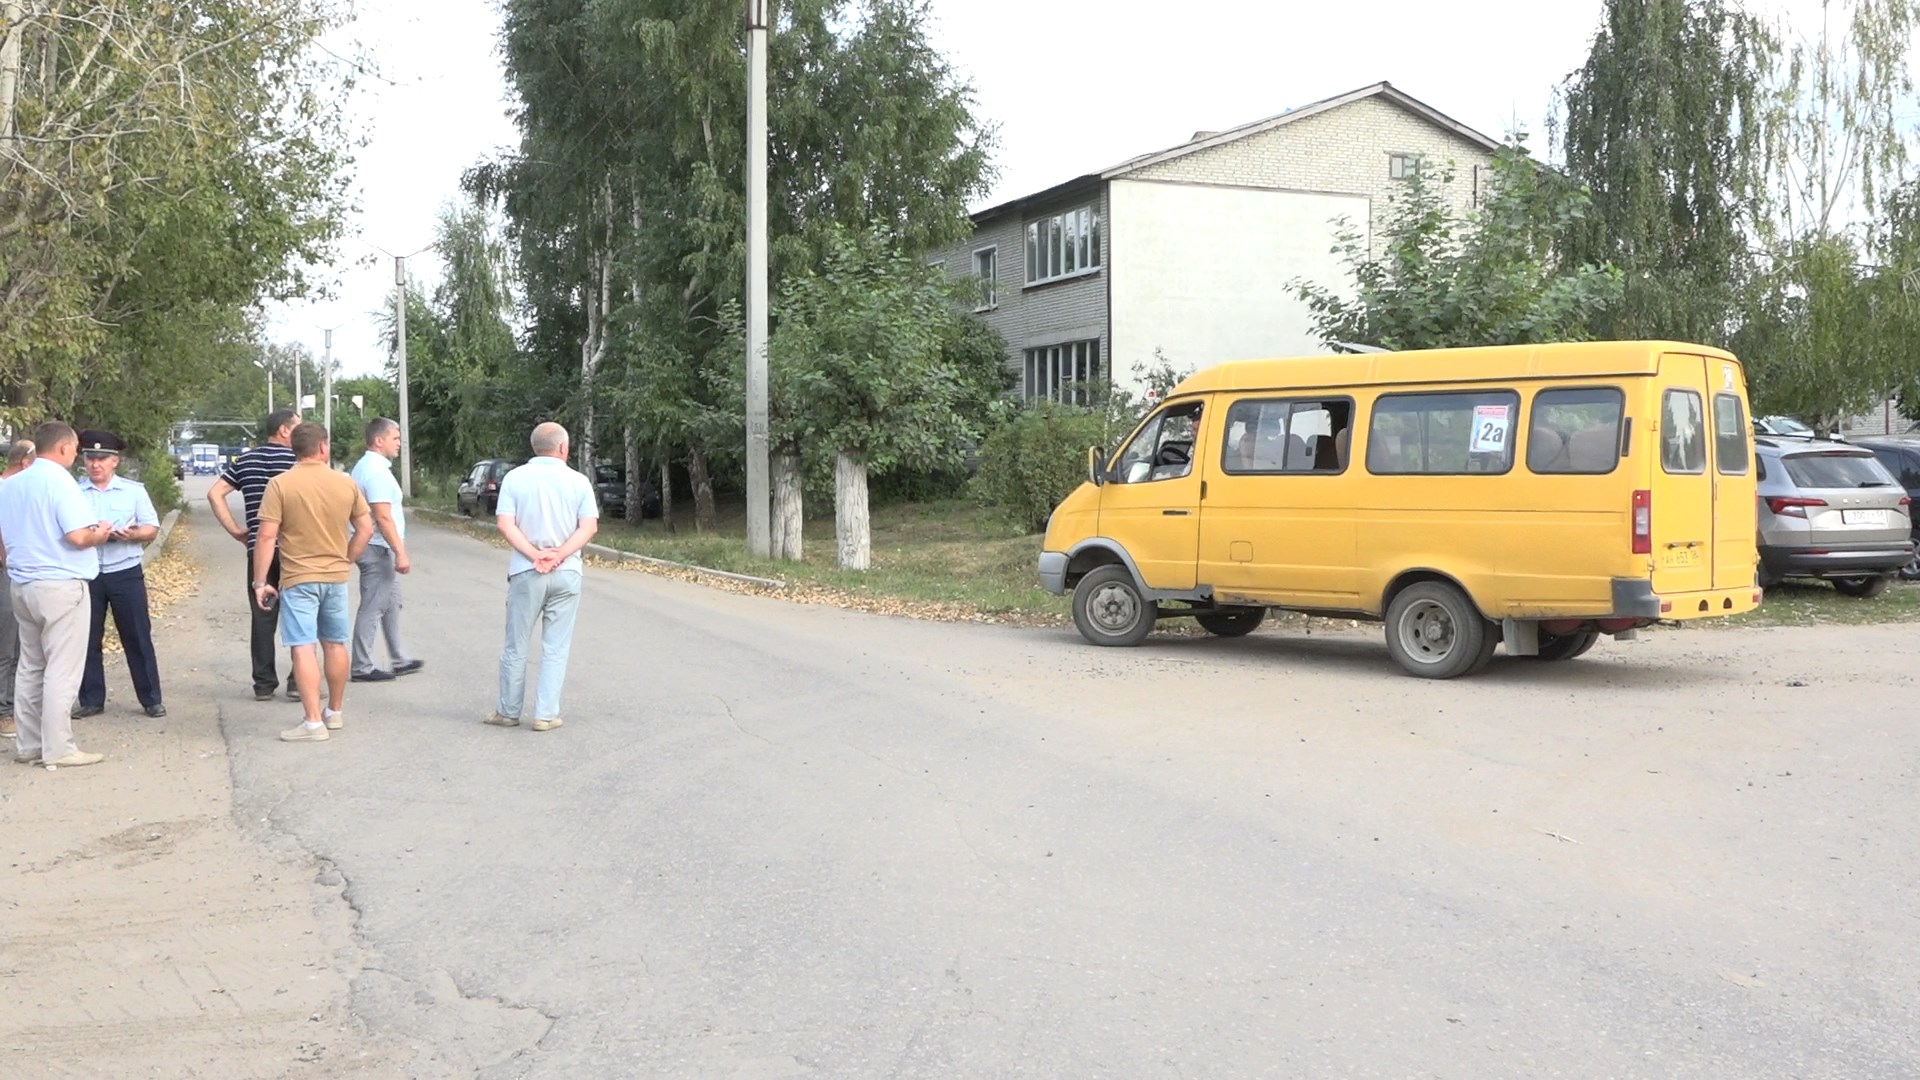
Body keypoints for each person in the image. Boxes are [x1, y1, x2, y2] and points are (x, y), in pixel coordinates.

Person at [0, 421, 115, 768]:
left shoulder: (11, 484)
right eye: (77, 448)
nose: (78, 455)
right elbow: (77, 536)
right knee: (62, 668)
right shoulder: (60, 482)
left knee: (31, 665)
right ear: (64, 448)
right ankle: (59, 747)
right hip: (61, 584)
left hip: (22, 583)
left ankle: (29, 744)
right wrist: (102, 532)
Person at [252, 422, 372, 743]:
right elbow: (365, 529)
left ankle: (312, 722)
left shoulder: (279, 485)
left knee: (303, 646)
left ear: (294, 448)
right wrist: (346, 558)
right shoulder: (345, 484)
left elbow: (266, 536)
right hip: (335, 577)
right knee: (334, 643)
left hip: (298, 578)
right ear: (323, 448)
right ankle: (334, 712)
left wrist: (260, 581)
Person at [486, 422, 598, 732]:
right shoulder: (578, 481)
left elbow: (505, 525)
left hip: (526, 571)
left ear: (535, 447)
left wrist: (534, 555)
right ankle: (545, 714)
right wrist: (559, 554)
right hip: (567, 572)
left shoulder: (515, 478)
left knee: (516, 644)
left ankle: (508, 711)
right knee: (556, 645)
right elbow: (588, 527)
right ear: (563, 448)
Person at [73, 430, 164, 720]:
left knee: (137, 636)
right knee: (87, 638)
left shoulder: (133, 491)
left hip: (125, 570)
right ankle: (91, 699)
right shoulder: (74, 491)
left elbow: (152, 527)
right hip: (88, 573)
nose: (95, 464)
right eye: (90, 458)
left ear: (115, 461)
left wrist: (132, 534)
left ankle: (151, 699)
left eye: (102, 459)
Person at [208, 410, 298, 701]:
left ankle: (263, 684)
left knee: (262, 616)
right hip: (294, 551)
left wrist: (235, 530)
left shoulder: (245, 461)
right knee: (299, 614)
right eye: (298, 426)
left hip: (258, 549)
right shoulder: (297, 462)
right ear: (285, 431)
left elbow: (215, 493)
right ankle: (298, 680)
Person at [348, 417, 421, 682]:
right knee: (373, 606)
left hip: (376, 547)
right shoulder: (376, 472)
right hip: (377, 549)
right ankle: (361, 666)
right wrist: (400, 551)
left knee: (391, 603)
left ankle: (399, 658)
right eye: (395, 438)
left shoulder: (369, 467)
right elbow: (382, 516)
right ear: (379, 441)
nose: (399, 443)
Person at [0, 439, 34, 740]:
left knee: (22, 644)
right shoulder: (4, 490)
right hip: (6, 572)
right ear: (24, 462)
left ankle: (16, 705)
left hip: (21, 572)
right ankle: (4, 712)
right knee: (7, 645)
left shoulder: (19, 489)